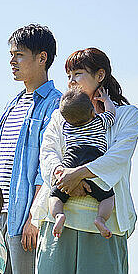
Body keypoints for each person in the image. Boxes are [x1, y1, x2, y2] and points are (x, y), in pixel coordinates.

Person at [31, 48, 138, 274]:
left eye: (77, 74)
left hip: (103, 224)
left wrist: (78, 174)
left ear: (100, 75)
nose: (71, 81)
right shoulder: (60, 116)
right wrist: (63, 176)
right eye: (68, 75)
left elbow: (118, 156)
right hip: (59, 219)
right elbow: (48, 154)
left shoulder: (125, 115)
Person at [0, 24, 62, 274]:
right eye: (11, 55)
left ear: (42, 58)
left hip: (24, 217)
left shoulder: (54, 104)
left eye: (19, 55)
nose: (12, 61)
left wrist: (34, 216)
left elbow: (48, 168)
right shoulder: (13, 104)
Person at [49, 87, 116, 239]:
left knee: (55, 195)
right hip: (92, 162)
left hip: (70, 162)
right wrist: (106, 100)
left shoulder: (66, 126)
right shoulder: (99, 121)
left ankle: (58, 215)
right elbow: (111, 114)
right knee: (107, 197)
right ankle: (100, 219)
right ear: (92, 112)